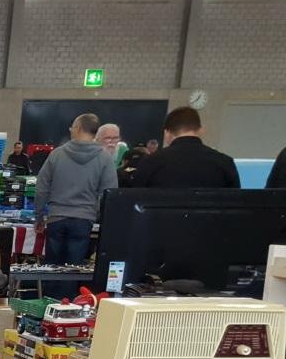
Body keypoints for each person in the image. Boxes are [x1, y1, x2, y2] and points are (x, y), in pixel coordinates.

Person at [34, 113, 117, 265]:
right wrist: (96, 214)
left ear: (78, 128)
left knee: (51, 268)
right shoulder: (105, 158)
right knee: (74, 268)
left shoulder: (57, 154)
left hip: (56, 218)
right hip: (84, 220)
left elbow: (41, 188)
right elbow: (109, 194)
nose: (70, 130)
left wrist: (39, 216)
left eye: (72, 127)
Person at [129, 106, 239, 189]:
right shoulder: (225, 162)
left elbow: (135, 200)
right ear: (201, 130)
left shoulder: (150, 162)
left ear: (167, 133)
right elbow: (235, 204)